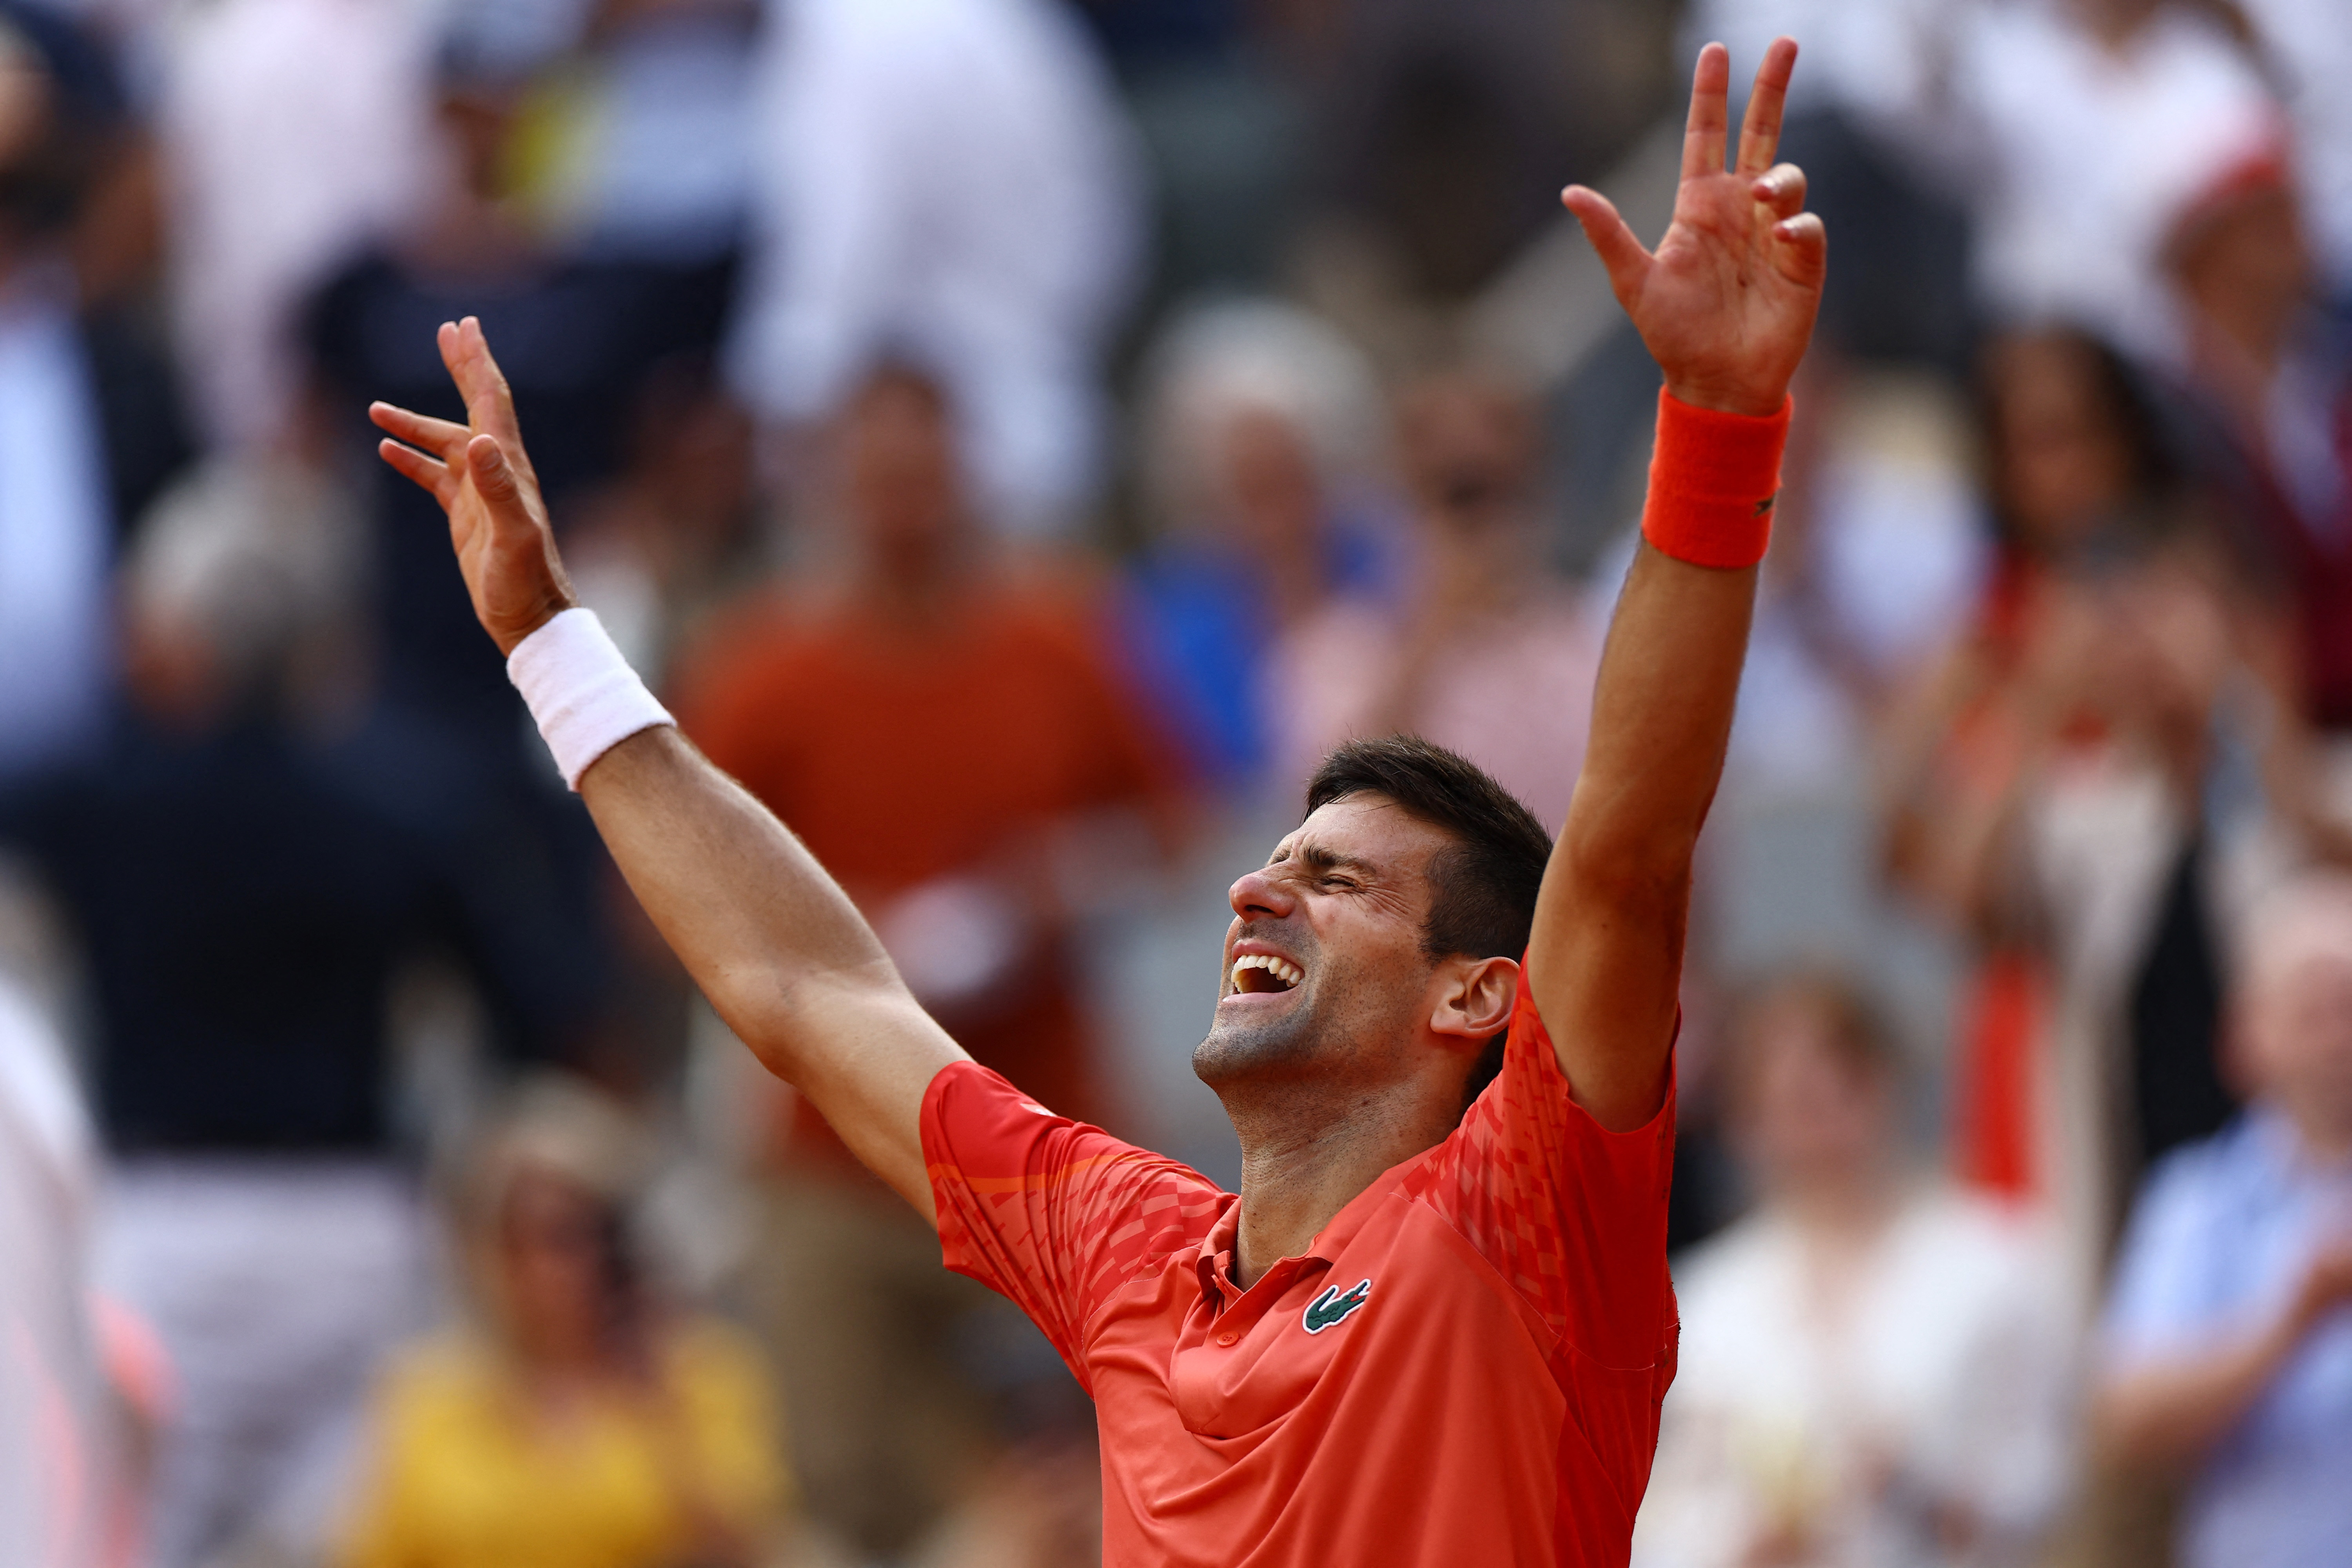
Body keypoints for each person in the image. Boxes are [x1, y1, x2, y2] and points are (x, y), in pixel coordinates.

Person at [368, 36, 1826, 1563]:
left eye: (1340, 881)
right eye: (1279, 860)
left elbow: (1629, 846)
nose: (1260, 891)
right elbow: (803, 985)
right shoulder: (1128, 1245)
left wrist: (1719, 425)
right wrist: (550, 641)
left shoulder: (1528, 1208)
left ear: (1480, 997)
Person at [669, 359, 1192, 1557]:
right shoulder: (765, 668)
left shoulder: (1057, 637)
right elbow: (669, 887)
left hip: (1042, 1142)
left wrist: (1052, 882)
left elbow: (1170, 828)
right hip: (836, 1151)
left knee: (1087, 1480)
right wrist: (849, 921)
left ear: (963, 471)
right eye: (878, 470)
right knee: (843, 1485)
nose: (904, 498)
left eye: (924, 467)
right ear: (835, 485)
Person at [1632, 975, 2076, 1568]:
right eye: (1792, 1100)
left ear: (1886, 1084)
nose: (1822, 1123)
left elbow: (2048, 1488)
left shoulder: (2001, 1264)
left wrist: (1920, 1488)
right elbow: (1663, 1515)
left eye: (1841, 1087)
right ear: (1745, 1121)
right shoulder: (1702, 1304)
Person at [339, 1076, 792, 1568]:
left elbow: (752, 1551)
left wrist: (662, 1415)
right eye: (521, 1240)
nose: (551, 1267)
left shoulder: (704, 1372)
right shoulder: (426, 1392)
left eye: (576, 1236)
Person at [2096, 875, 2352, 1568]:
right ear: (2247, 1037)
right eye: (2312, 1011)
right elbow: (2129, 1422)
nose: (2338, 1040)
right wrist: (2294, 1322)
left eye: (2350, 1007)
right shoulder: (2196, 1202)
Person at [1271, 363, 1601, 832]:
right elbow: (1329, 816)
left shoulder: (1599, 636)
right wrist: (1435, 626)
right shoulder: (1329, 657)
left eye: (1493, 488)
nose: (1477, 523)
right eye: (1456, 493)